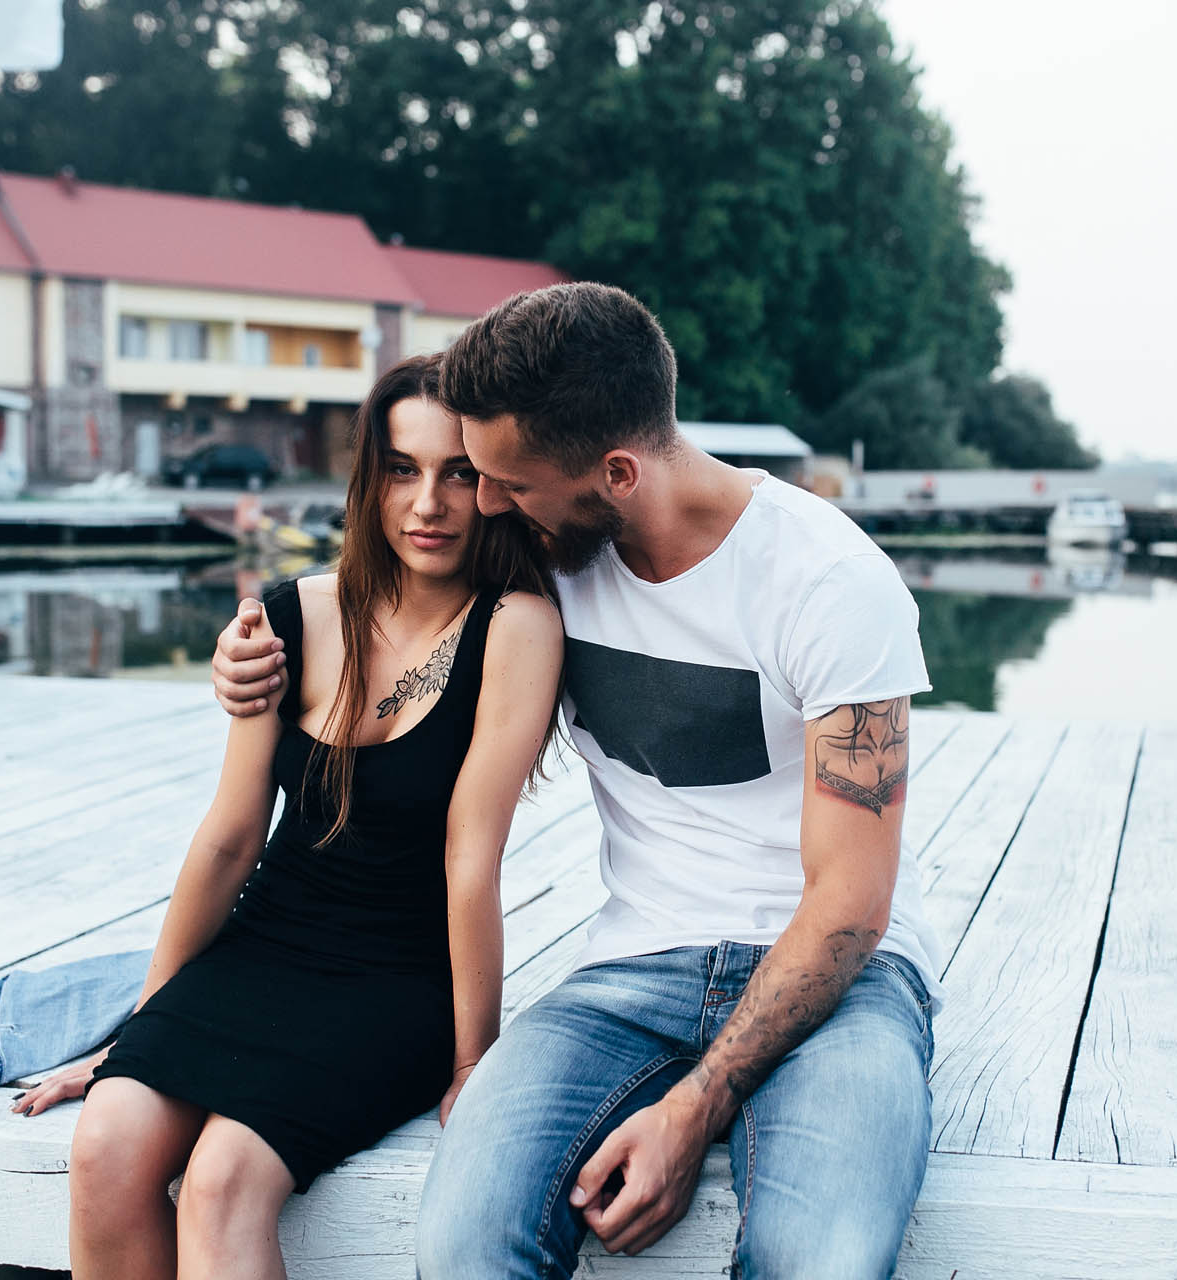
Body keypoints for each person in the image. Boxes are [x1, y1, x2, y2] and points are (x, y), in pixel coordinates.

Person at [211, 283, 939, 1279]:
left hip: (842, 974)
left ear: (618, 471)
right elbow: (375, 606)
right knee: (463, 1242)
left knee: (821, 1259)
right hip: (634, 967)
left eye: (507, 480)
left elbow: (852, 902)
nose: (486, 504)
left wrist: (699, 1103)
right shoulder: (547, 550)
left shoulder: (828, 582)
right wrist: (254, 651)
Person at [16, 352, 564, 1280]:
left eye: (458, 474)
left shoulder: (515, 624)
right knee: (106, 1141)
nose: (428, 502)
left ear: (495, 485)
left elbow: (472, 861)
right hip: (263, 945)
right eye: (402, 469)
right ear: (369, 478)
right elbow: (232, 838)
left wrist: (476, 1065)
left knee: (225, 1176)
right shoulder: (287, 615)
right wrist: (144, 1030)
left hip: (398, 978)